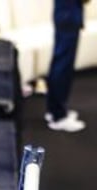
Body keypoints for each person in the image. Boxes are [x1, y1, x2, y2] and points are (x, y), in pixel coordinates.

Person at [45, 0, 87, 132]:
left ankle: (54, 110)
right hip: (68, 14)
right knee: (63, 65)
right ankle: (59, 116)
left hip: (66, 13)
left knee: (60, 61)